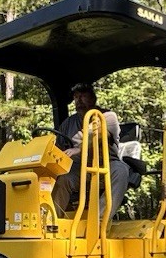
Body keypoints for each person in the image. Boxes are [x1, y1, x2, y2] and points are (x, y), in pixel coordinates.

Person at [51, 81, 131, 217]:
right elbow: (57, 146)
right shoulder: (68, 123)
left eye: (83, 96)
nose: (79, 100)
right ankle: (51, 220)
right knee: (63, 179)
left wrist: (79, 149)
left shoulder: (107, 117)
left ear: (93, 98)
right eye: (76, 97)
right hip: (79, 166)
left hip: (105, 163)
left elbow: (99, 135)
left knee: (121, 171)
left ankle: (99, 219)